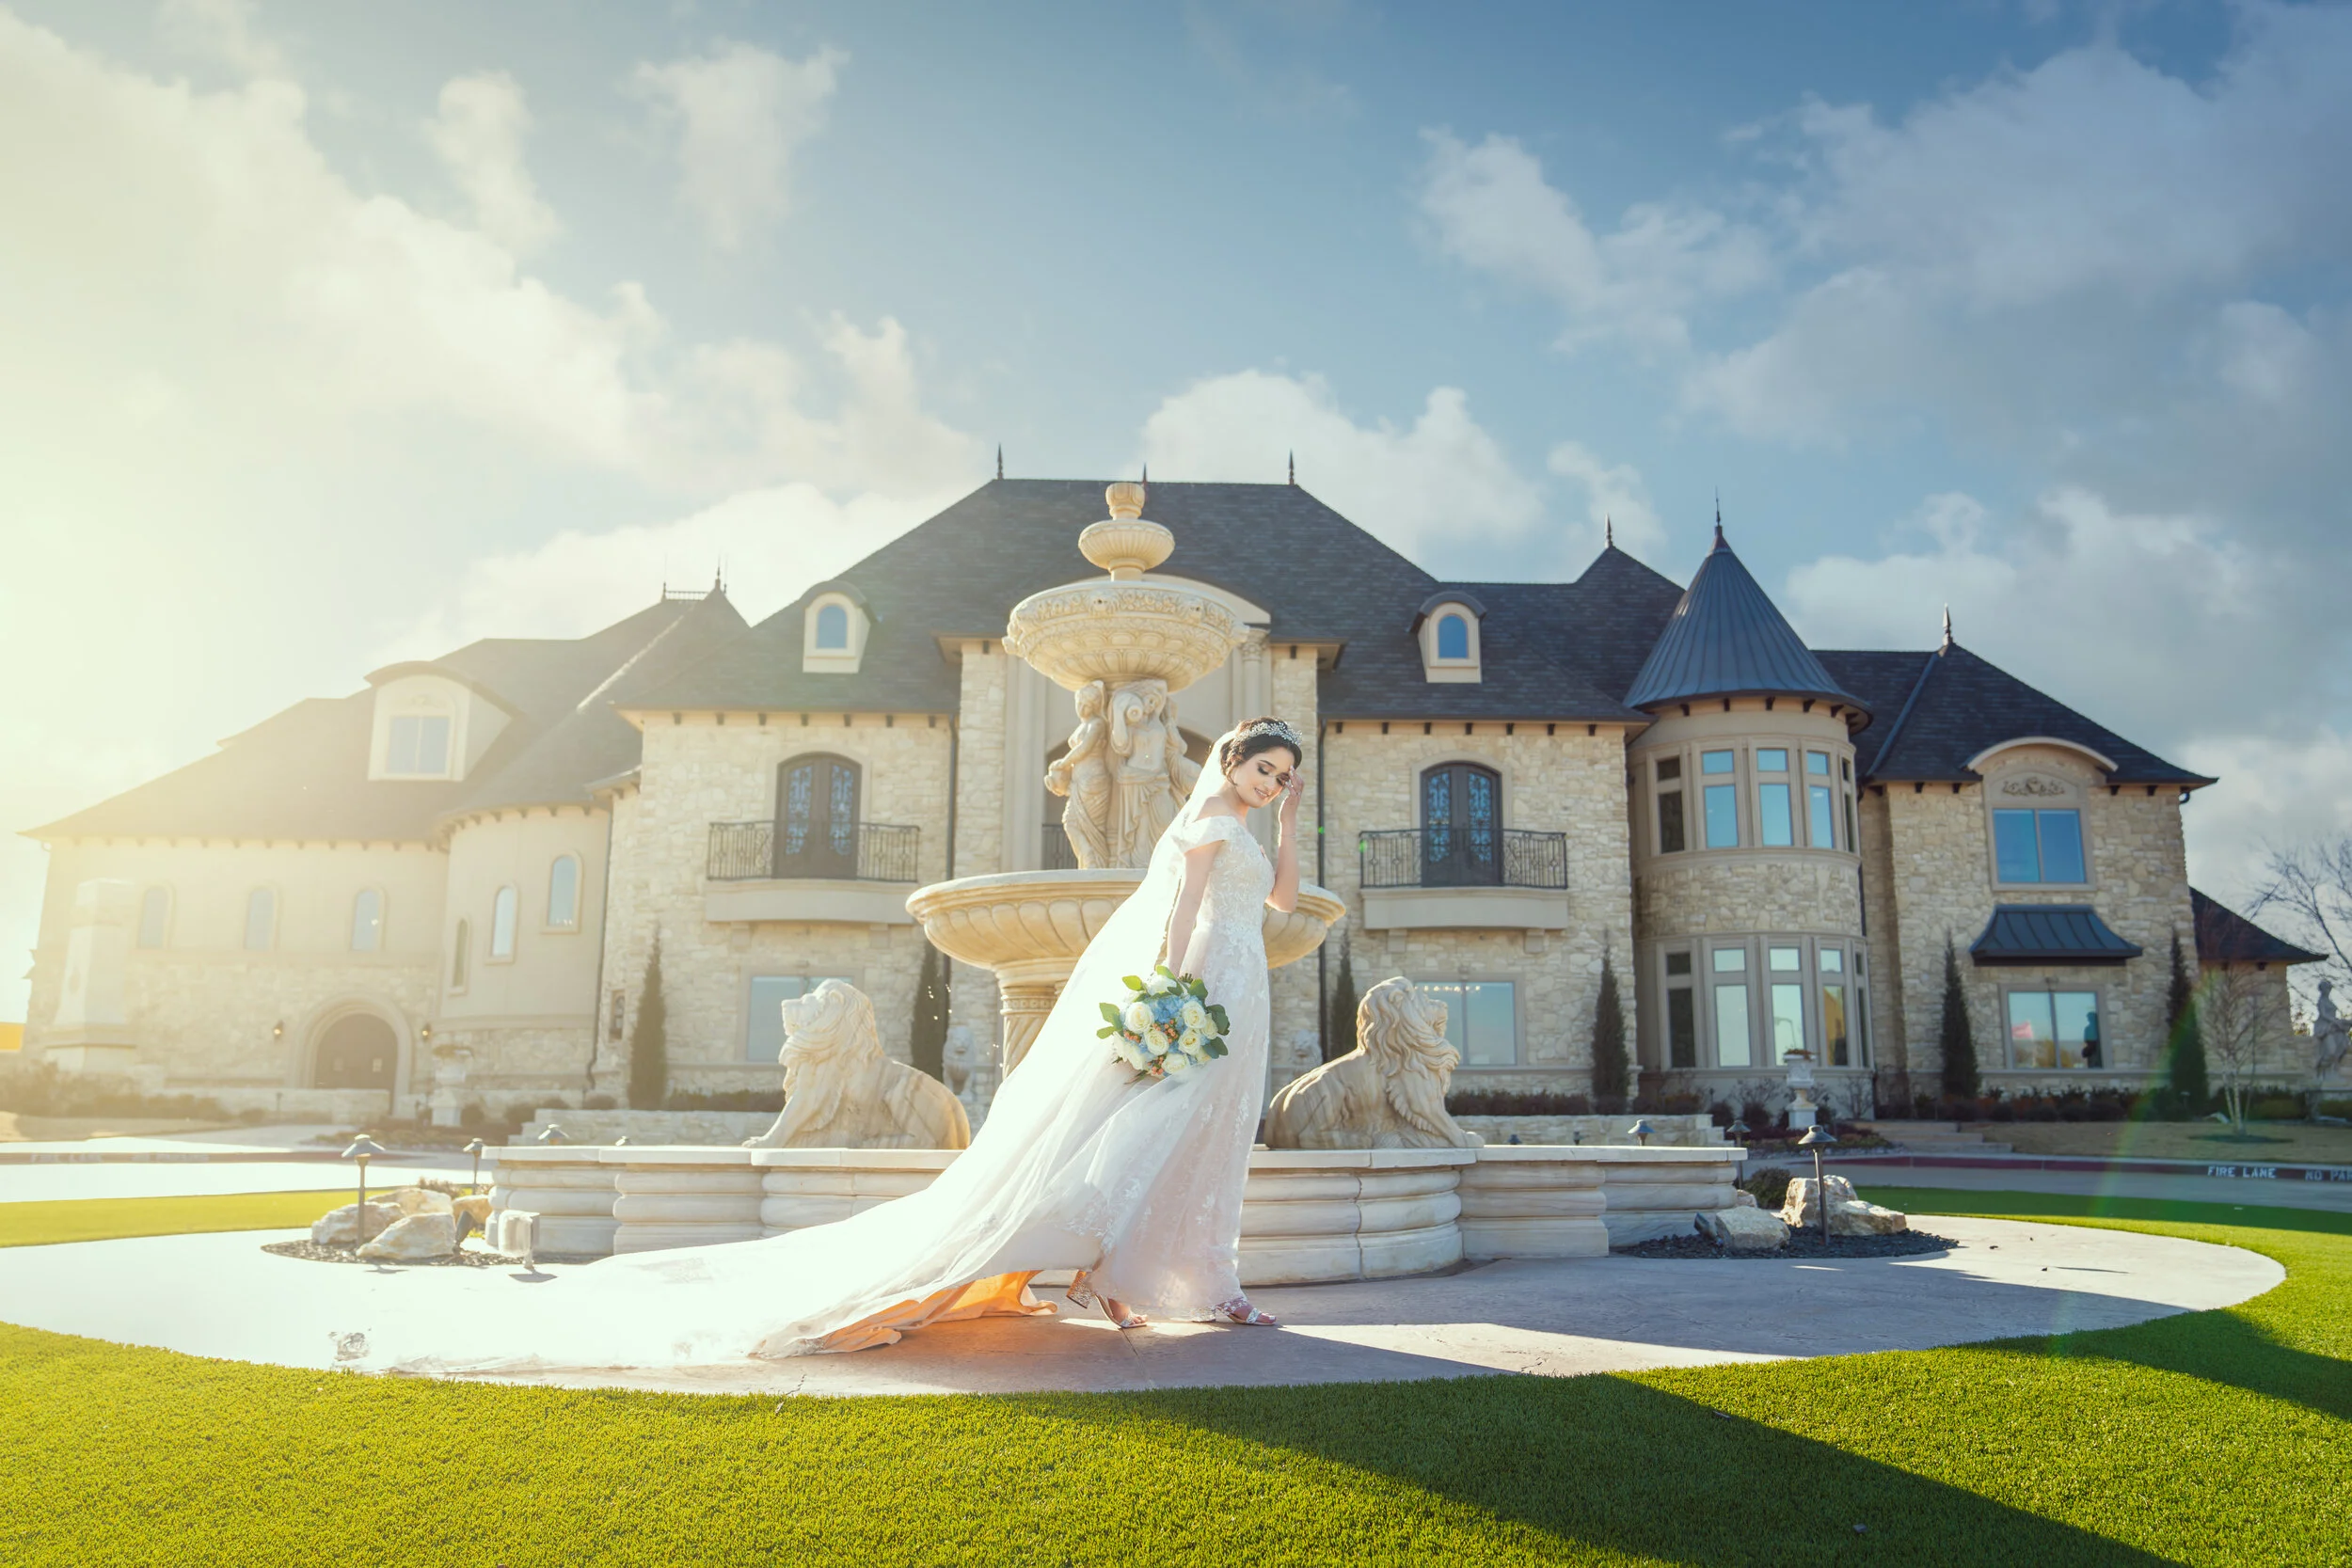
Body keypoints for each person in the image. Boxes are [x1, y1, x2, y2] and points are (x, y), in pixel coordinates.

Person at [359, 717, 1308, 1373]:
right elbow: (1182, 913)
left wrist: (1297, 822)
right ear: (1230, 761)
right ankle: (1163, 1276)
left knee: (1209, 1131)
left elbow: (1281, 907)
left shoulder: (1255, 827)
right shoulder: (1201, 829)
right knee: (1158, 1124)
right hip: (1203, 987)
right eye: (1261, 769)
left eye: (1279, 777)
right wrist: (1173, 992)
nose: (1266, 784)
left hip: (1243, 988)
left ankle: (1144, 1271)